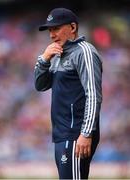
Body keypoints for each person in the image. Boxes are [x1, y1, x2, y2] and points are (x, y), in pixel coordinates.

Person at [34, 7, 102, 180]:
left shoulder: (84, 51)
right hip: (62, 134)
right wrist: (43, 60)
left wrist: (86, 133)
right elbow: (40, 85)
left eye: (56, 28)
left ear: (72, 27)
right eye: (50, 30)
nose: (51, 35)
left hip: (75, 134)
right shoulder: (57, 54)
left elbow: (93, 95)